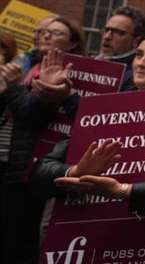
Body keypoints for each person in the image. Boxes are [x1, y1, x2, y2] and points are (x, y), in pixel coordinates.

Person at [31, 28, 145, 264]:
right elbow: (40, 172)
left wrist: (123, 191)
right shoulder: (110, 108)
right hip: (86, 243)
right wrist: (77, 172)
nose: (141, 63)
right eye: (139, 55)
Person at [0, 16, 85, 264]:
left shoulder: (68, 74)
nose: (44, 36)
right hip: (10, 164)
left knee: (19, 245)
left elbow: (33, 118)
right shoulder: (28, 66)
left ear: (73, 45)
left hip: (31, 170)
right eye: (43, 32)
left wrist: (14, 87)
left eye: (54, 33)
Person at [97, 5, 145, 92]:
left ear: (136, 41)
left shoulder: (137, 76)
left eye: (117, 32)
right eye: (106, 30)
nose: (107, 37)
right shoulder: (89, 64)